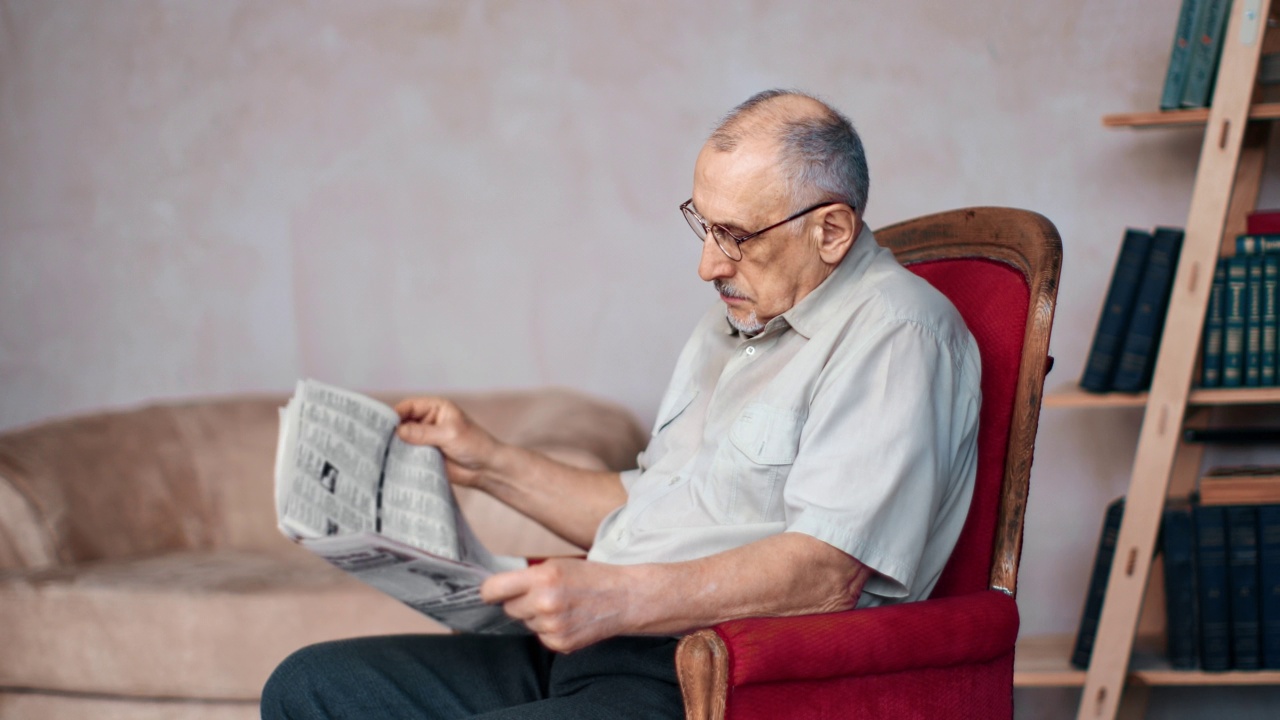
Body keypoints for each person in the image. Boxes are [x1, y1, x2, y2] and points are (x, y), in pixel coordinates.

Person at [261, 89, 981, 720]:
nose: (707, 265)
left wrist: (617, 596)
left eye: (734, 236)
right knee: (309, 686)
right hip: (600, 649)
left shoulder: (897, 334)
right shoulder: (735, 322)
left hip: (711, 680)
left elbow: (826, 574)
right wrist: (487, 463)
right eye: (703, 225)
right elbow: (648, 510)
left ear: (830, 231)